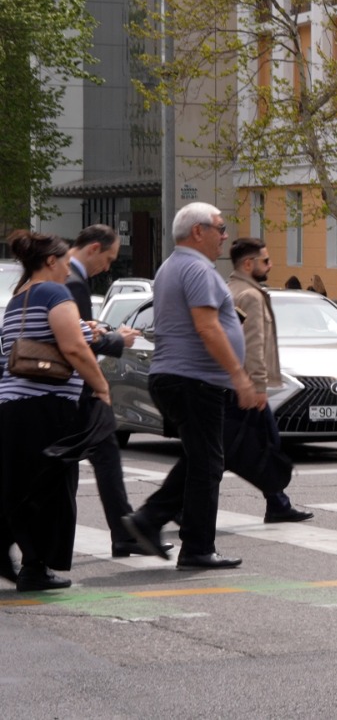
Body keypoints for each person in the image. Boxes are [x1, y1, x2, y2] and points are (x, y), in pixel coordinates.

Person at [121, 203, 266, 571]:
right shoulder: (197, 268)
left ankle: (150, 520)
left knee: (201, 459)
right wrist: (239, 375)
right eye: (220, 227)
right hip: (194, 380)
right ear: (198, 231)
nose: (225, 236)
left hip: (180, 378)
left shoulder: (172, 266)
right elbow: (207, 327)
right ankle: (195, 548)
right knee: (207, 465)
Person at [0, 231, 114, 591]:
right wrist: (101, 387)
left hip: (14, 406)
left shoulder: (19, 298)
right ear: (51, 261)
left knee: (26, 485)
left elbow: (46, 337)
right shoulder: (54, 292)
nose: (68, 270)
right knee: (53, 488)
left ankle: (25, 560)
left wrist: (87, 330)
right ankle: (36, 567)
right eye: (65, 262)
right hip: (47, 406)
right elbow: (73, 348)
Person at [64, 226, 155, 558]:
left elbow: (79, 332)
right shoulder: (72, 282)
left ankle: (124, 535)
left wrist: (103, 332)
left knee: (96, 460)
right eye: (109, 259)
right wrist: (118, 340)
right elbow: (76, 342)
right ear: (93, 248)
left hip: (68, 390)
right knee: (75, 466)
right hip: (77, 389)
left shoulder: (64, 278)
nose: (107, 267)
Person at [226, 238, 313, 523]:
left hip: (235, 384)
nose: (270, 265)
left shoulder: (231, 289)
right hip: (247, 388)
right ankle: (179, 503)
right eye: (265, 261)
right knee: (239, 448)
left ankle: (278, 502)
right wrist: (259, 387)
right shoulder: (250, 296)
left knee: (255, 444)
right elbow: (253, 346)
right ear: (248, 264)